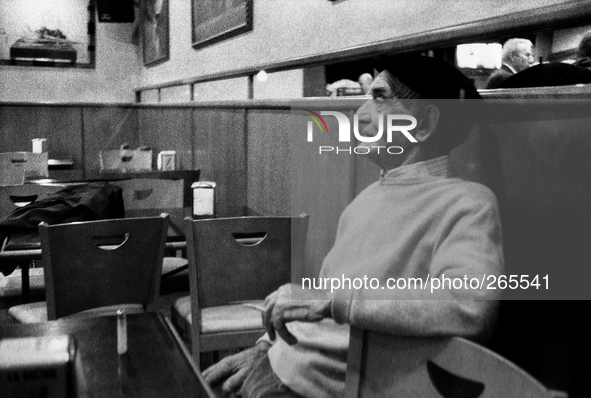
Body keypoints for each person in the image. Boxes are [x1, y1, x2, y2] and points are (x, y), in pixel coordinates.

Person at [204, 55, 504, 398]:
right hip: (278, 364)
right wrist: (265, 346)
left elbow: (469, 303)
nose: (359, 115)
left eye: (379, 98)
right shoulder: (367, 199)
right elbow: (323, 300)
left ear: (425, 123)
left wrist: (331, 301)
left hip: (317, 387)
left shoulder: (469, 202)